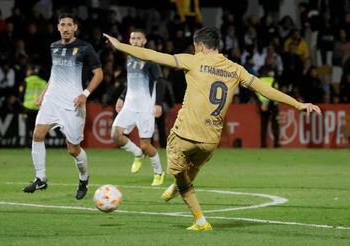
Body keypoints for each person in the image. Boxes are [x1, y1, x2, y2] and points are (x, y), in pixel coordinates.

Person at [103, 27, 321, 231]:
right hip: (211, 139)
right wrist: (299, 104)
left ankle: (199, 219)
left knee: (178, 172)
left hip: (184, 134)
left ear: (199, 46)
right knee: (194, 165)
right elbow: (265, 89)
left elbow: (151, 55)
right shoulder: (235, 69)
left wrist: (119, 45)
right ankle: (178, 189)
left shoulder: (193, 60)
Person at [23, 13, 103, 200]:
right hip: (52, 100)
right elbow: (54, 72)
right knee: (37, 134)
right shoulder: (54, 46)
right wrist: (43, 94)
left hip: (72, 103)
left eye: (69, 25)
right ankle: (40, 177)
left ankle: (84, 178)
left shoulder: (85, 47)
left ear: (75, 27)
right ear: (58, 27)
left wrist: (85, 94)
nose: (66, 28)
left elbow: (99, 74)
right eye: (62, 25)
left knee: (73, 149)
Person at [111, 29, 165, 186]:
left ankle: (158, 172)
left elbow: (161, 81)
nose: (135, 41)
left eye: (138, 38)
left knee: (146, 145)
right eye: (132, 38)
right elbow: (131, 82)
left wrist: (158, 103)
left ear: (144, 41)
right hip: (129, 106)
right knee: (115, 135)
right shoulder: (129, 58)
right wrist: (121, 97)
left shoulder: (150, 58)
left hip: (145, 108)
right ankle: (137, 154)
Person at [19, 64, 47, 147]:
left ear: (30, 71)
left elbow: (21, 94)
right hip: (39, 108)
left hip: (28, 108)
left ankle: (27, 144)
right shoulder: (43, 82)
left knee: (28, 128)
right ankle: (40, 144)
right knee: (39, 127)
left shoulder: (26, 80)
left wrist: (21, 106)